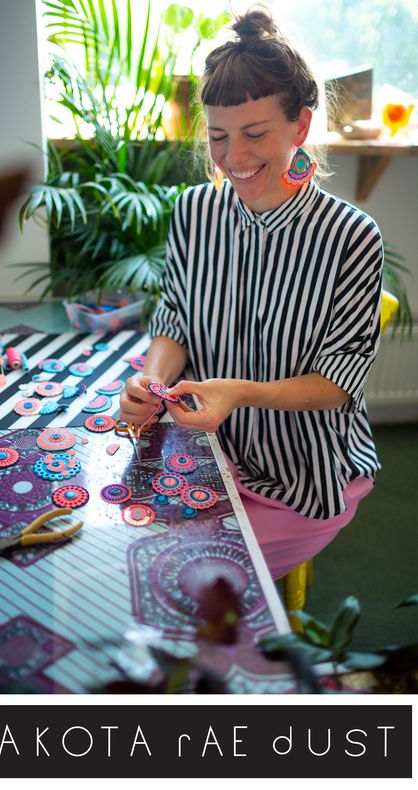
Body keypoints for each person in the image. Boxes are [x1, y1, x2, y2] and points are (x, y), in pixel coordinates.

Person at [119, 5, 383, 581]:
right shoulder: (194, 212)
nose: (234, 158)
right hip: (205, 456)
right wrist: (148, 380)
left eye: (255, 134)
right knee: (125, 548)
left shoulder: (350, 236)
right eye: (218, 137)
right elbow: (175, 320)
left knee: (186, 574)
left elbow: (336, 386)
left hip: (304, 477)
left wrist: (237, 393)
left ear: (301, 127)